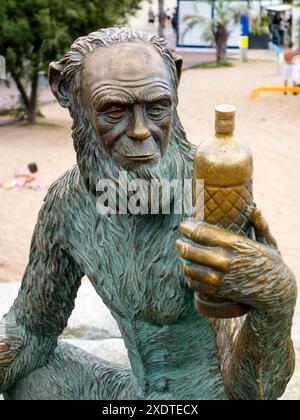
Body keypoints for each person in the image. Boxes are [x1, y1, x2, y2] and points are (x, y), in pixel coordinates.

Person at [0, 28, 296, 401]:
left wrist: (275, 300)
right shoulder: (67, 203)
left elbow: (253, 393)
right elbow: (32, 329)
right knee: (33, 374)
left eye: (157, 107)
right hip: (135, 390)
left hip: (211, 395)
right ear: (67, 93)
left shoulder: (214, 191)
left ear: (175, 80)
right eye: (114, 110)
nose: (141, 132)